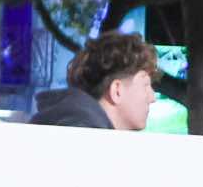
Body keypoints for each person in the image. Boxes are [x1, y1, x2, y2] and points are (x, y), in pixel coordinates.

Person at [29, 31, 160, 131]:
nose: (152, 98)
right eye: (145, 85)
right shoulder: (83, 135)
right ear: (117, 91)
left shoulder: (73, 126)